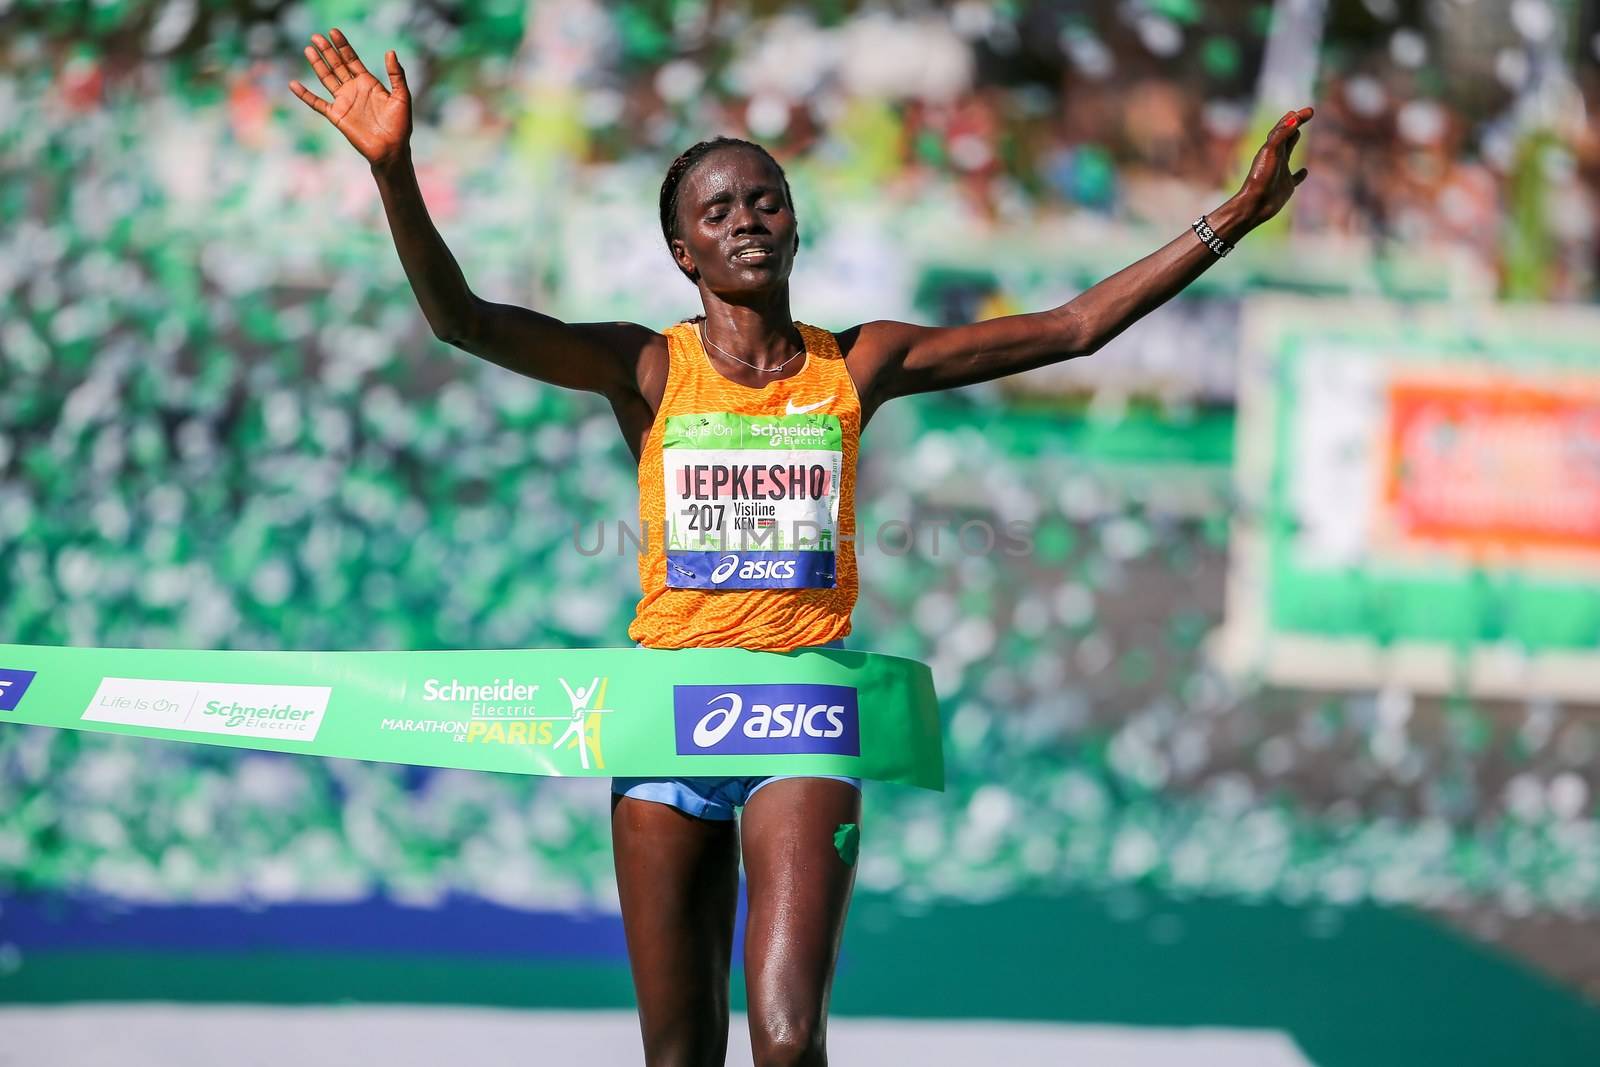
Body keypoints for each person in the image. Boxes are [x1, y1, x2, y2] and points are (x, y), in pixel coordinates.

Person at [290, 28, 1313, 1067]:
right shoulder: (642, 367)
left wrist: (1230, 218)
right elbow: (462, 320)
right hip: (666, 722)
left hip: (798, 713)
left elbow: (1072, 326)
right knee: (679, 1053)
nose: (748, 220)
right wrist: (394, 169)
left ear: (795, 225)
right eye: (718, 211)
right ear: (683, 252)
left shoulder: (860, 361)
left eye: (767, 199)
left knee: (785, 1041)